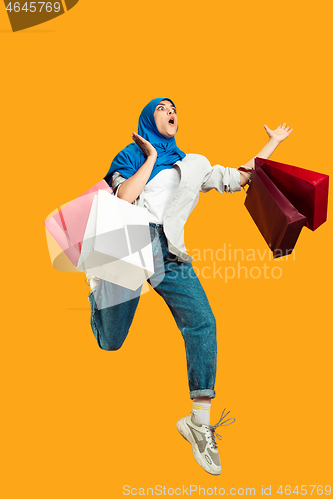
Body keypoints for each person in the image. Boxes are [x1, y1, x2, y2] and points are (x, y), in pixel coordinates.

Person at [86, 97, 293, 475]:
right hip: (128, 244)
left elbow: (238, 178)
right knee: (110, 341)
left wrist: (273, 143)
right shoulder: (130, 154)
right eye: (162, 108)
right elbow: (124, 197)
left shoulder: (193, 164)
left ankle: (198, 422)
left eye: (174, 108)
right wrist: (149, 157)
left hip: (170, 252)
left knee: (203, 322)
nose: (171, 112)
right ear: (150, 117)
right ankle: (97, 287)